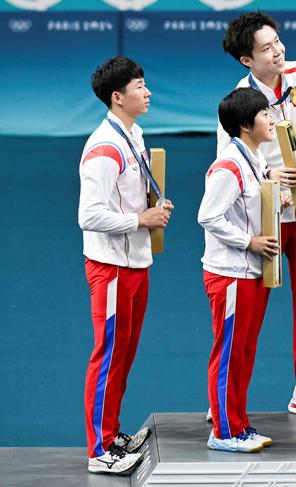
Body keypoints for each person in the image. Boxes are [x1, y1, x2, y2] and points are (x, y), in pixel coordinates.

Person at [215, 11, 296, 419]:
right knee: (249, 309)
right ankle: (225, 395)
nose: (278, 52)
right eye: (267, 48)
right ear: (247, 61)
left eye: (278, 42)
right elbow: (227, 161)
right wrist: (267, 174)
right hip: (265, 215)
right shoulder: (239, 100)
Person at [79, 56, 173, 475]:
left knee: (125, 353)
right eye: (139, 86)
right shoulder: (104, 149)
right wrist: (141, 219)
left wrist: (152, 205)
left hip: (135, 260)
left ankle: (112, 432)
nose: (147, 91)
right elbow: (89, 215)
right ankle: (99, 449)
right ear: (118, 98)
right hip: (111, 266)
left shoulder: (134, 133)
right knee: (108, 353)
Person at [199, 87, 291, 453]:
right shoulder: (229, 165)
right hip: (230, 272)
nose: (271, 120)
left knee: (244, 351)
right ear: (244, 124)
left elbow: (249, 207)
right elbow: (207, 215)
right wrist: (248, 242)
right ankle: (222, 430)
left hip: (252, 272)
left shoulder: (253, 160)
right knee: (229, 352)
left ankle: (237, 423)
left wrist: (277, 202)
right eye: (265, 115)